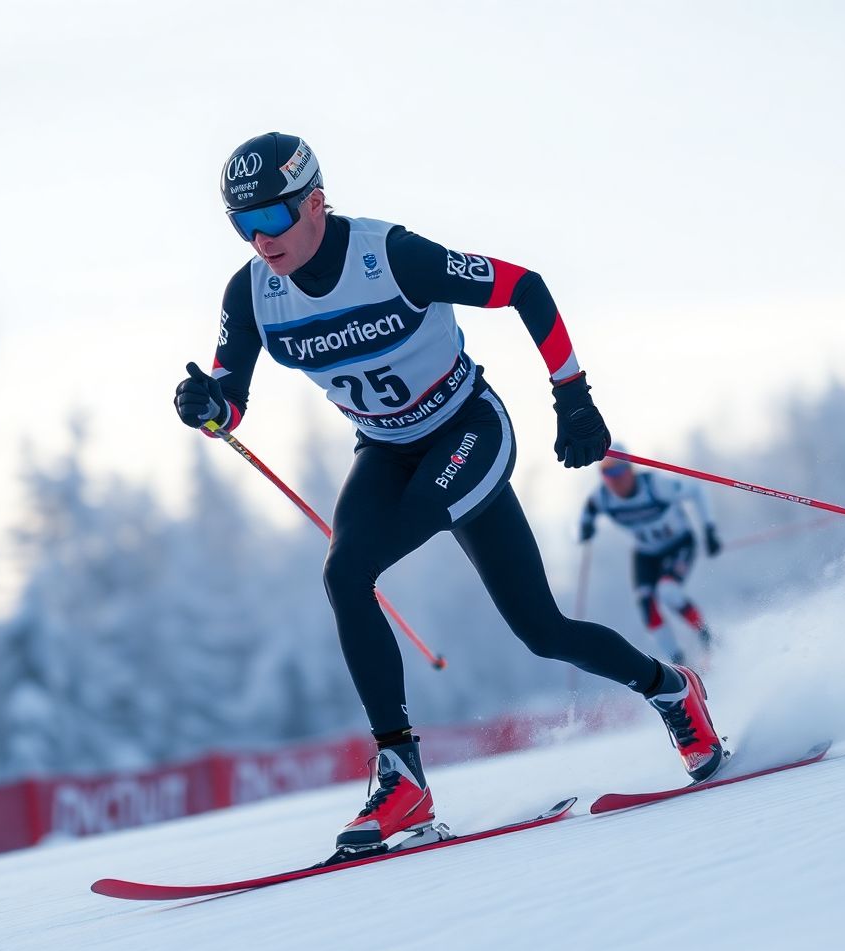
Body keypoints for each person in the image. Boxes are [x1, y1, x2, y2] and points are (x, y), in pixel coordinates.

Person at [173, 132, 725, 853]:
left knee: (430, 548)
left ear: (315, 203)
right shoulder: (251, 292)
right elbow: (231, 398)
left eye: (272, 219)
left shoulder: (392, 256)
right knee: (499, 617)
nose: (259, 239)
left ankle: (668, 696)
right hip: (385, 449)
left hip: (468, 429)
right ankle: (409, 777)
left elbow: (523, 285)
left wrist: (574, 397)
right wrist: (208, 406)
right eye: (241, 225)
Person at [580, 457, 723, 666]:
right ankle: (681, 665)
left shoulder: (655, 486)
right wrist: (586, 527)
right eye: (607, 473)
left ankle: (708, 640)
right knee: (647, 606)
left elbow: (697, 490)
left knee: (668, 591)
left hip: (678, 545)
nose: (615, 479)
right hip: (646, 554)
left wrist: (709, 529)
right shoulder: (603, 497)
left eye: (619, 471)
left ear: (630, 469)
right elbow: (588, 512)